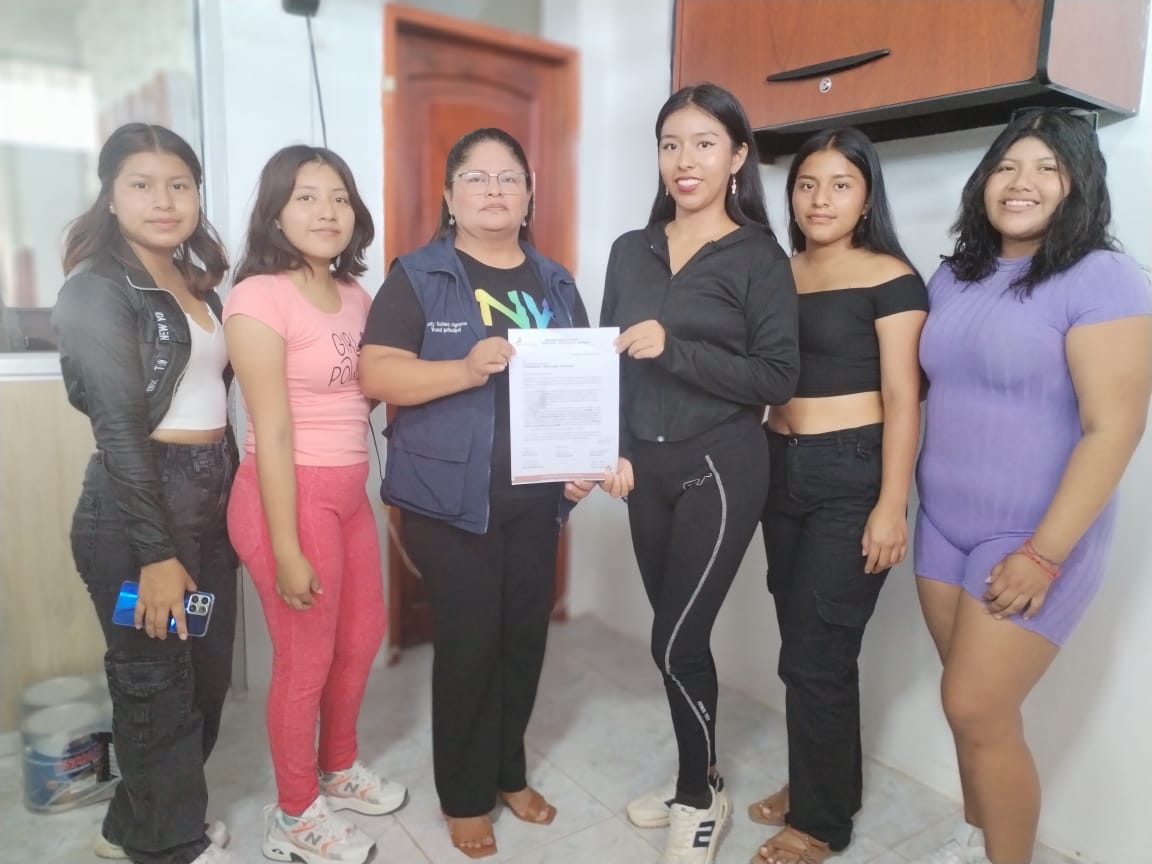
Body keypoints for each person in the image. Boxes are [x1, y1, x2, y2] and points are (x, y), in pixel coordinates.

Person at [910, 108, 1152, 864]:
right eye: (1008, 166)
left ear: (1080, 184)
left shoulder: (1103, 277)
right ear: (984, 182)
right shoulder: (955, 275)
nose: (1023, 182)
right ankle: (976, 838)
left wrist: (1044, 555)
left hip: (1032, 536)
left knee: (977, 708)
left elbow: (1113, 429)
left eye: (1049, 167)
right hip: (940, 526)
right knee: (967, 709)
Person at [359, 127, 590, 859]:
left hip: (537, 501)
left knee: (523, 642)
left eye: (508, 178)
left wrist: (582, 464)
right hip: (448, 501)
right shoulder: (418, 276)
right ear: (449, 196)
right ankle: (464, 796)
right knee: (468, 646)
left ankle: (508, 773)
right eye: (476, 178)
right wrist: (463, 369)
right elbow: (377, 374)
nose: (494, 190)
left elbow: (583, 386)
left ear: (529, 195)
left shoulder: (556, 283)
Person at [602, 83, 800, 864]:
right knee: (678, 641)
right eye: (671, 144)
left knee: (673, 639)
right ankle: (702, 772)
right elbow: (611, 360)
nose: (685, 160)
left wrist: (675, 348)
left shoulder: (758, 256)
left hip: (720, 465)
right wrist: (611, 446)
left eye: (705, 143)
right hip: (641, 470)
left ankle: (696, 798)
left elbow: (777, 376)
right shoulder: (631, 249)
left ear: (737, 156)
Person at [53, 122, 238, 864]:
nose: (164, 201)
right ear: (110, 195)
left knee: (203, 676)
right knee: (156, 684)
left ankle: (139, 825)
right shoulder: (96, 288)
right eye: (142, 184)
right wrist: (156, 554)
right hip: (139, 512)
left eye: (179, 185)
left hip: (208, 502)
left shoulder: (196, 284)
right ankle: (170, 847)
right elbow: (121, 433)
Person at [747, 129, 927, 864]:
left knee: (817, 653)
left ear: (867, 196)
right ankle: (822, 784)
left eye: (840, 184)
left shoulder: (892, 278)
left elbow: (905, 398)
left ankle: (819, 825)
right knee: (806, 648)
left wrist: (892, 504)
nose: (820, 199)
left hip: (849, 475)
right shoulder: (778, 271)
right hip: (777, 467)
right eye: (807, 184)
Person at [223, 145, 406, 864]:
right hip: (287, 497)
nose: (327, 211)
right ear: (275, 212)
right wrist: (287, 547)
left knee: (360, 639)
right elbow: (269, 428)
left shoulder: (358, 295)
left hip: (348, 495)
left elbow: (369, 389)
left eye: (339, 197)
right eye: (305, 196)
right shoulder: (258, 298)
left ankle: (337, 769)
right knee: (306, 661)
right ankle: (295, 815)